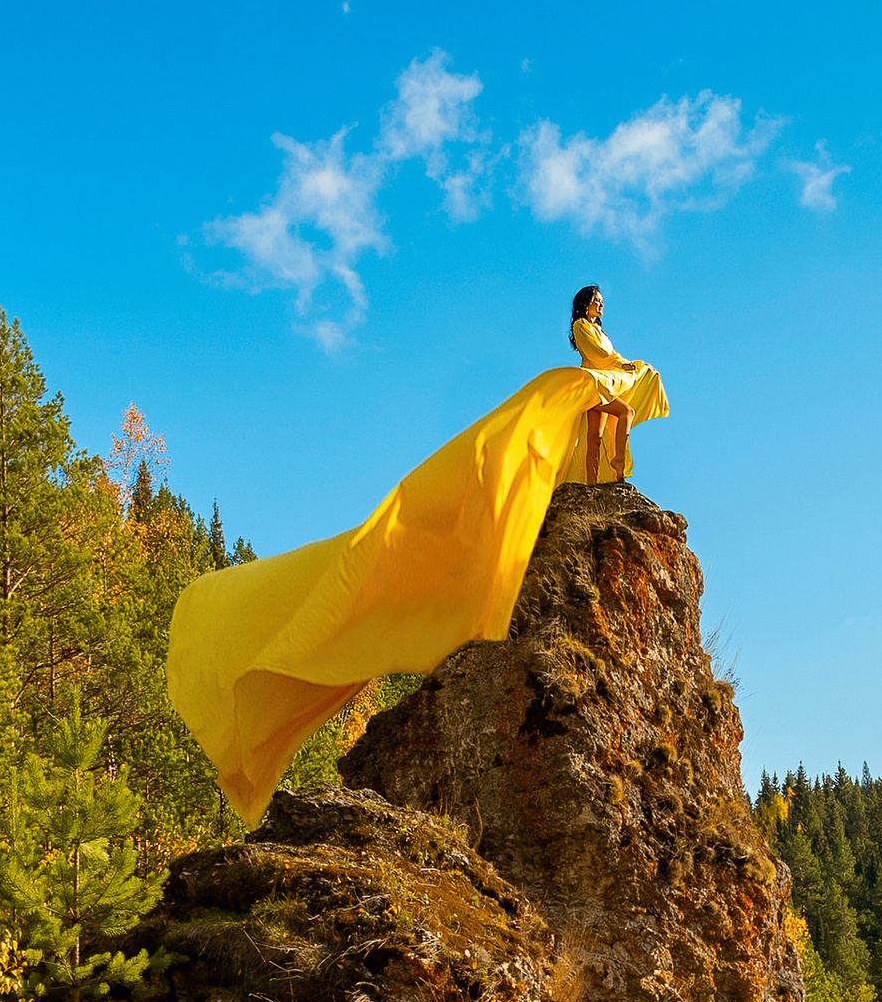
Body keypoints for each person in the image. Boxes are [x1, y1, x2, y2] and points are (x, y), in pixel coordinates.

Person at [165, 286, 670, 829]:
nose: (598, 307)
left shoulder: (597, 332)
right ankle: (598, 473)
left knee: (605, 415)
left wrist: (627, 366)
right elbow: (599, 359)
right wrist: (630, 364)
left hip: (599, 383)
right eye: (593, 301)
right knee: (569, 421)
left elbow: (608, 363)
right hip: (590, 381)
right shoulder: (583, 331)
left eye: (600, 302)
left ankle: (605, 471)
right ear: (582, 307)